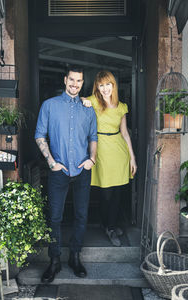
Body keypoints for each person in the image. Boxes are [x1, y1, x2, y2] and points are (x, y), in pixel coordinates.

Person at [35, 66, 97, 283]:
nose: (75, 84)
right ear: (65, 80)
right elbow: (40, 135)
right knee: (55, 217)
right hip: (58, 170)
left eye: (79, 81)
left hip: (82, 170)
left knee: (81, 216)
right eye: (72, 80)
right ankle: (54, 261)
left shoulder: (88, 108)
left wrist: (92, 159)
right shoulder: (49, 106)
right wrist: (51, 162)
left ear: (82, 83)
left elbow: (93, 136)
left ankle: (75, 257)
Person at [82, 70, 137, 247]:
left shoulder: (121, 107)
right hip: (101, 149)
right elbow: (76, 100)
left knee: (118, 193)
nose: (105, 89)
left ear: (114, 85)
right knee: (106, 193)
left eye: (108, 84)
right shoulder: (92, 101)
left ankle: (111, 226)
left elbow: (125, 133)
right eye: (101, 85)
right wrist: (83, 101)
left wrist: (132, 158)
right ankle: (106, 224)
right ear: (97, 86)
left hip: (119, 151)